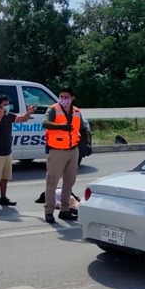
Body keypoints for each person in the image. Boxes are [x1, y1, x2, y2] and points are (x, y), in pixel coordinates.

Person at [41, 87, 89, 224]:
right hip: (57, 151)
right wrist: (60, 126)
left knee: (69, 182)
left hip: (73, 150)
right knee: (52, 182)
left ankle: (64, 210)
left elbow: (83, 129)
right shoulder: (53, 109)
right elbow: (45, 123)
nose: (63, 99)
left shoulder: (77, 112)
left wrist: (85, 146)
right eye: (61, 96)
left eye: (66, 97)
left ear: (72, 98)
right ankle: (49, 212)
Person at [0, 94, 35, 209]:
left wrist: (29, 112)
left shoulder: (9, 116)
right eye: (5, 105)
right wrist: (0, 116)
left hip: (7, 152)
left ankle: (3, 198)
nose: (7, 107)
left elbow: (22, 119)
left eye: (8, 104)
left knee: (4, 177)